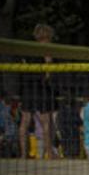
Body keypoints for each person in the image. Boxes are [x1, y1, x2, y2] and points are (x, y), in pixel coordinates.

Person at [19, 24, 58, 160]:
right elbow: (48, 71)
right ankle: (50, 153)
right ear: (47, 37)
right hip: (41, 87)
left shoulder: (29, 50)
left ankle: (24, 154)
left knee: (25, 120)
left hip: (27, 87)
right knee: (46, 122)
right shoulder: (46, 50)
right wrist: (49, 77)